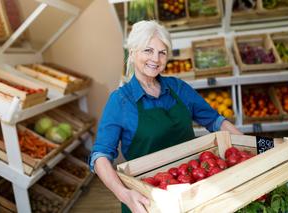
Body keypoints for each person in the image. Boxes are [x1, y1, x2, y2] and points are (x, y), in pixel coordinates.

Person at [89, 20, 242, 213]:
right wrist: (124, 194)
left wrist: (247, 146)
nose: (156, 58)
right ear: (133, 52)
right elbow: (101, 156)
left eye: (162, 52)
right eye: (148, 50)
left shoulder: (178, 88)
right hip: (147, 196)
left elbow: (215, 121)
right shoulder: (120, 101)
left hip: (191, 184)